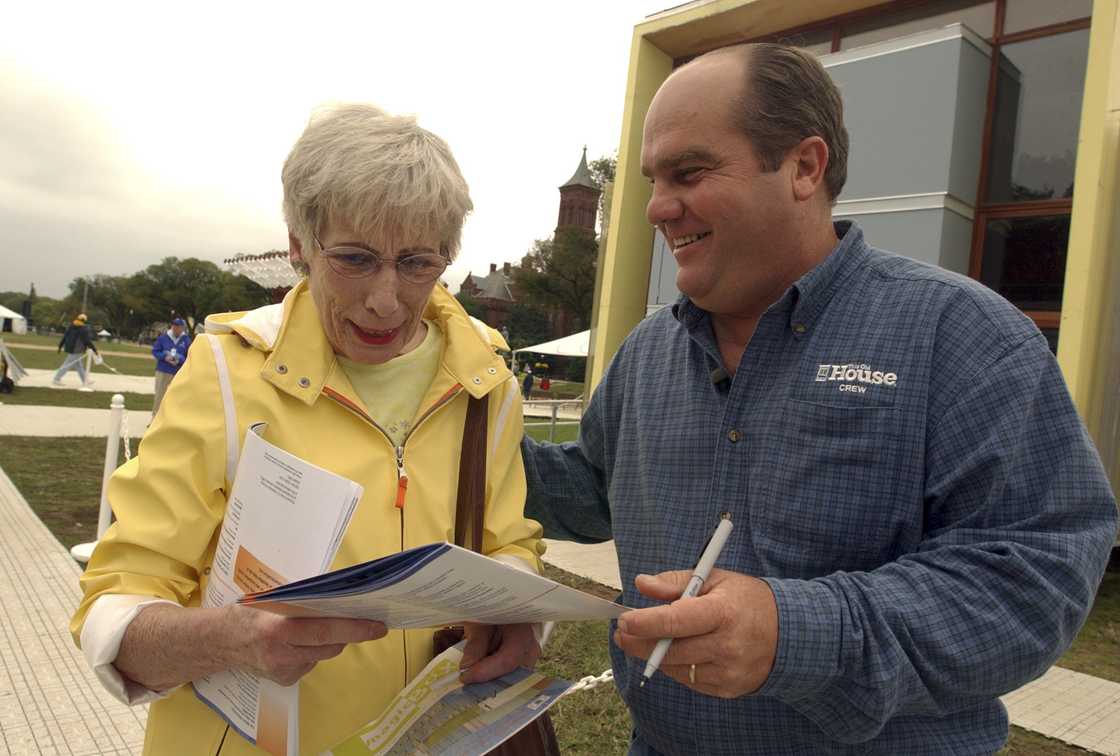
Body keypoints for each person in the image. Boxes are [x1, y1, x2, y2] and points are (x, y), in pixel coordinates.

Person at [520, 43, 1118, 755]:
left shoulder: (960, 334)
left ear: (805, 167)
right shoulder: (649, 350)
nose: (657, 207)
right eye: (653, 180)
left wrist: (795, 632)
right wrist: (451, 428)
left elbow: (1035, 582)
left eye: (689, 172)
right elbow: (590, 493)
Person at [71, 103, 544, 755]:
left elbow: (509, 542)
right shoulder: (228, 372)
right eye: (354, 259)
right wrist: (231, 639)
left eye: (416, 264)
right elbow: (114, 610)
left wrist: (518, 617)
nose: (385, 300)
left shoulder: (486, 379)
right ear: (299, 244)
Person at [151, 317, 192, 416]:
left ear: (182, 328)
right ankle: (155, 418)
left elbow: (190, 355)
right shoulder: (163, 338)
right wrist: (165, 357)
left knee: (176, 396)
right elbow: (155, 351)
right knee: (160, 395)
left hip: (178, 371)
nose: (176, 328)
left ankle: (172, 419)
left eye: (178, 326)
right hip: (163, 370)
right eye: (174, 326)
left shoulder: (186, 340)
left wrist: (180, 359)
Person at [52, 313, 99, 388]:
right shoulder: (83, 328)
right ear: (85, 321)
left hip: (70, 348)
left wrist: (60, 346)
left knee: (79, 366)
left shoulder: (71, 326)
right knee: (67, 364)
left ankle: (85, 380)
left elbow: (65, 337)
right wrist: (94, 349)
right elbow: (87, 341)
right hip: (77, 350)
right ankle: (56, 379)